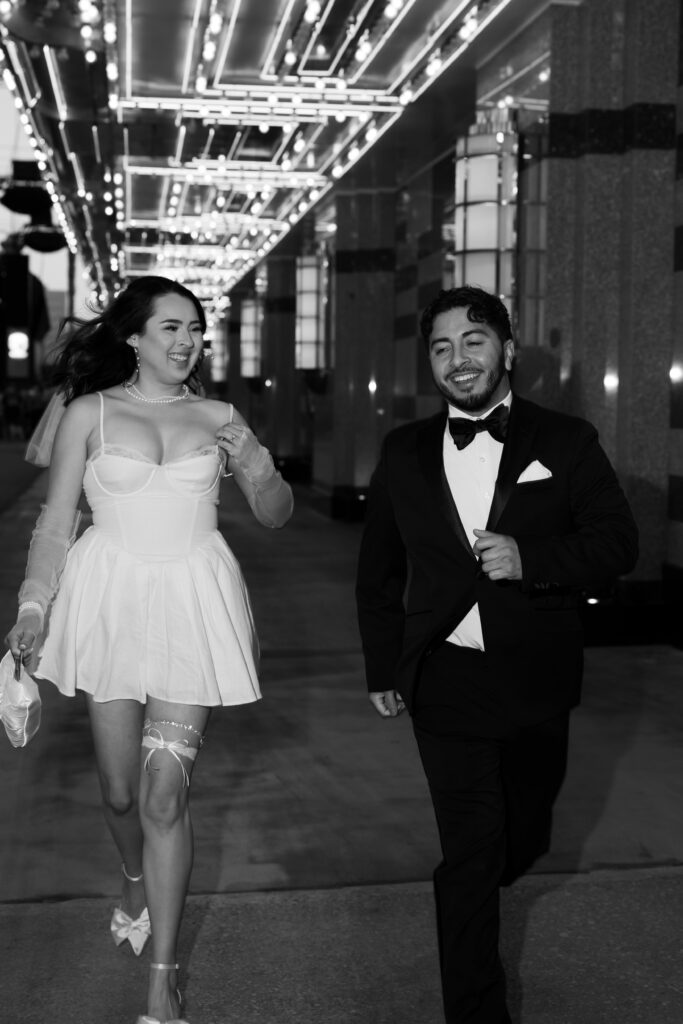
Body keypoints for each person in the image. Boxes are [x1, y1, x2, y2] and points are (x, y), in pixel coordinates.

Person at [5, 276, 293, 1024]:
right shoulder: (88, 412)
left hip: (192, 603)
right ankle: (130, 876)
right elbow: (56, 520)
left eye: (195, 327)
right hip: (109, 603)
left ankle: (162, 978)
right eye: (169, 327)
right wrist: (34, 607)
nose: (186, 339)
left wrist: (258, 463)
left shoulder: (220, 414)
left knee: (166, 793)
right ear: (132, 336)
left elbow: (273, 515)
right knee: (120, 793)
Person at [355, 285, 638, 1023]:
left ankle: (502, 865)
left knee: (523, 837)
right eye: (441, 347)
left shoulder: (565, 441)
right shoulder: (404, 451)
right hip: (443, 678)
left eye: (473, 341)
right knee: (470, 856)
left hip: (535, 677)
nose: (457, 359)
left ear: (507, 350)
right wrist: (383, 667)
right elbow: (377, 571)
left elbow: (617, 543)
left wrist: (532, 557)